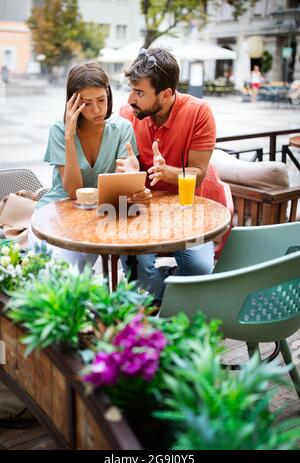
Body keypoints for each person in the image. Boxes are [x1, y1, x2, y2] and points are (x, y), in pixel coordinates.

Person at [117, 47, 216, 303]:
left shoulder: (199, 112)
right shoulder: (127, 115)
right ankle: (169, 287)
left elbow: (199, 173)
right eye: (131, 89)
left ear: (166, 93)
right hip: (142, 212)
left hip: (188, 212)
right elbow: (120, 174)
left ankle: (169, 284)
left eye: (139, 92)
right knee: (138, 274)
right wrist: (128, 172)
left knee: (200, 270)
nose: (130, 99)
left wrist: (167, 172)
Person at [29, 62, 148, 270]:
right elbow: (74, 191)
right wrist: (69, 136)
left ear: (109, 95)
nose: (96, 109)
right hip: (61, 208)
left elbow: (125, 187)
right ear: (73, 103)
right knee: (62, 269)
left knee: (134, 259)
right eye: (86, 103)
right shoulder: (59, 130)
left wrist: (131, 175)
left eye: (101, 100)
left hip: (105, 211)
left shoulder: (121, 128)